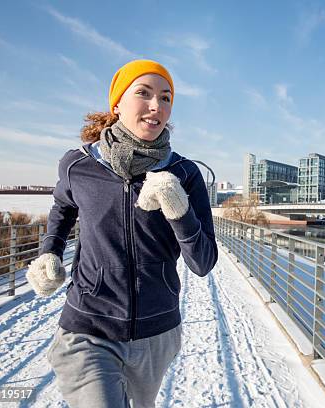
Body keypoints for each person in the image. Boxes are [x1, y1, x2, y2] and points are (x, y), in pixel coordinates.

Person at [26, 59, 218, 407]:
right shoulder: (78, 164)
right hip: (88, 328)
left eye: (166, 97)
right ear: (116, 103)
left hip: (155, 333)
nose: (156, 106)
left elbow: (203, 262)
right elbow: (63, 207)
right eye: (143, 93)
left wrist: (178, 208)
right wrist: (49, 251)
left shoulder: (185, 173)